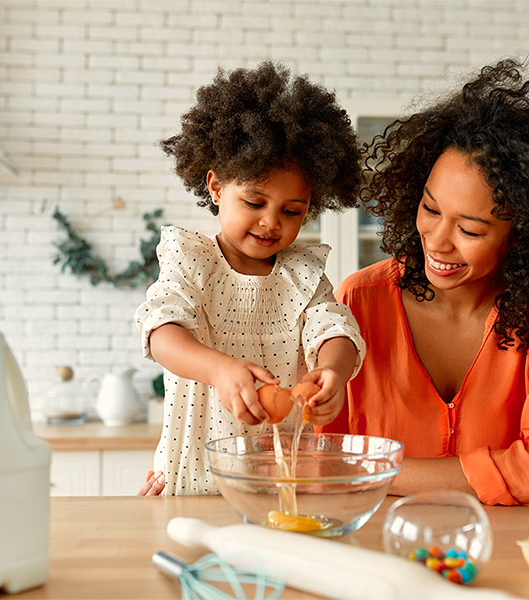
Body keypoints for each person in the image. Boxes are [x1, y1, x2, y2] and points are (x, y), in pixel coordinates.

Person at [317, 57, 529, 507]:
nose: (436, 243)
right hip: (378, 541)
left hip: (498, 553)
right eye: (431, 209)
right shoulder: (360, 299)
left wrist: (379, 468)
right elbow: (323, 459)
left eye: (470, 230)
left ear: (525, 234)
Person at [134, 61, 366, 496]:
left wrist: (332, 371)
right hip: (193, 474)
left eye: (292, 211)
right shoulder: (191, 261)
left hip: (281, 479)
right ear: (217, 187)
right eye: (255, 202)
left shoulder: (302, 274)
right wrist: (221, 371)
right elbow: (160, 332)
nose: (270, 222)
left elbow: (334, 330)